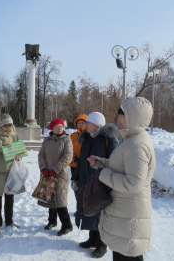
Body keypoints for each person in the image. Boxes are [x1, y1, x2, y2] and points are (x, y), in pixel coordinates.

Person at [88, 97, 156, 261]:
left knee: (127, 256)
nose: (118, 119)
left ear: (135, 117)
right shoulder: (130, 140)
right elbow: (121, 166)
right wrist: (100, 162)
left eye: (122, 115)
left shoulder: (137, 145)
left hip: (129, 214)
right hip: (124, 212)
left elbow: (134, 183)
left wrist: (104, 175)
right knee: (122, 254)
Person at [71, 112, 118, 258]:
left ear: (97, 124)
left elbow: (115, 161)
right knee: (90, 209)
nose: (85, 125)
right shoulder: (86, 139)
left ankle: (101, 245)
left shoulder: (109, 139)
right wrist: (75, 178)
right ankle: (92, 239)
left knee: (100, 214)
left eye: (88, 123)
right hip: (86, 181)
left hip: (101, 182)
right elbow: (80, 162)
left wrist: (109, 180)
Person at [38, 118, 74, 236]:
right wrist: (44, 169)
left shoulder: (67, 140)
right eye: (57, 126)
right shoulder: (47, 141)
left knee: (60, 199)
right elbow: (41, 155)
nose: (60, 128)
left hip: (60, 175)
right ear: (51, 128)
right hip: (47, 174)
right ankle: (52, 221)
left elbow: (68, 157)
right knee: (50, 197)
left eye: (61, 126)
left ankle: (67, 225)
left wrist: (54, 170)